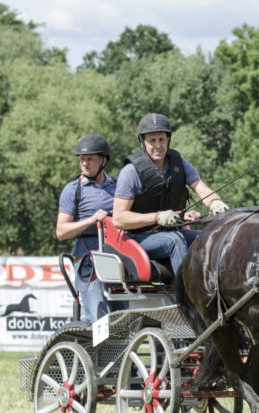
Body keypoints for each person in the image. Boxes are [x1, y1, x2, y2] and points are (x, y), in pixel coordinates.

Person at [113, 113, 229, 275]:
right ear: (143, 142)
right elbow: (118, 219)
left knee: (210, 236)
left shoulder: (179, 163)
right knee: (174, 241)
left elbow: (200, 187)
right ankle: (189, 296)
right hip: (138, 238)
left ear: (168, 140)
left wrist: (215, 202)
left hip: (172, 231)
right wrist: (157, 216)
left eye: (161, 139)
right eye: (152, 141)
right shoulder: (131, 172)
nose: (157, 145)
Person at [56, 134, 125, 323]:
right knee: (98, 317)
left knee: (125, 318)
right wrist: (92, 220)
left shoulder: (119, 186)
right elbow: (61, 232)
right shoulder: (72, 190)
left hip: (118, 257)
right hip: (89, 260)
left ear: (103, 161)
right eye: (82, 159)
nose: (85, 163)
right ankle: (96, 348)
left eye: (90, 159)